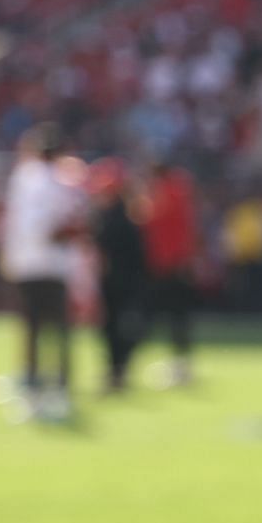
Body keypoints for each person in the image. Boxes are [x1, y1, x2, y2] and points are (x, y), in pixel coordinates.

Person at [0, 127, 87, 421]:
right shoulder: (59, 181)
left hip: (31, 264)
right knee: (55, 330)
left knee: (33, 330)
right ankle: (57, 388)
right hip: (52, 265)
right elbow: (68, 225)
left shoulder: (27, 178)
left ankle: (35, 387)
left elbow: (27, 226)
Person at [88, 159, 148, 394]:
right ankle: (117, 372)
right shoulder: (126, 214)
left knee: (116, 330)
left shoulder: (116, 217)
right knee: (115, 330)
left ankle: (116, 372)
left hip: (119, 283)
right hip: (122, 283)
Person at [143, 162, 200, 387]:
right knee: (178, 317)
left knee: (170, 316)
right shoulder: (180, 191)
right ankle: (181, 363)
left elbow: (150, 219)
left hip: (167, 265)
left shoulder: (167, 192)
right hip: (178, 263)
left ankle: (179, 366)